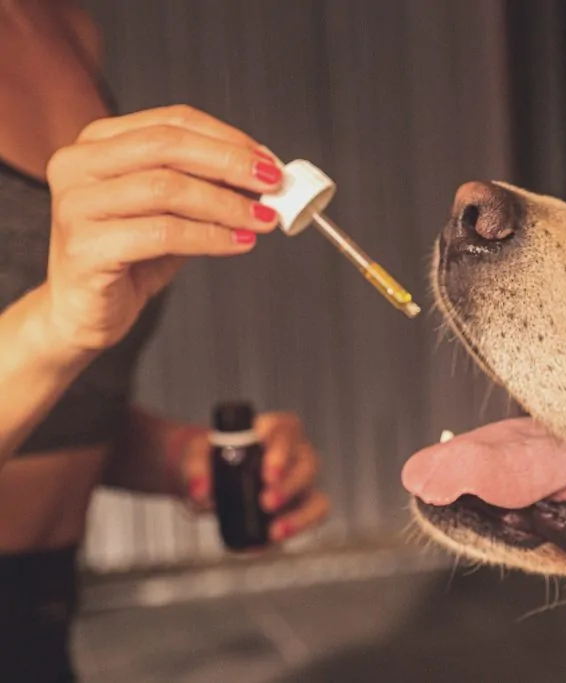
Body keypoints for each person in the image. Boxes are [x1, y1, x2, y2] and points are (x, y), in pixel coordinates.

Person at [0, 1, 330, 680]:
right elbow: (46, 328)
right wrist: (55, 321)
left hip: (42, 613)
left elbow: (57, 409)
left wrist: (186, 460)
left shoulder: (62, 24)